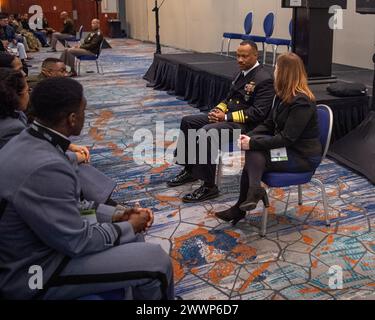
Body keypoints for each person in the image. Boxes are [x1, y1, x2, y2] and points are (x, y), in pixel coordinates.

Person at [0, 77, 174, 300]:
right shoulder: (47, 165)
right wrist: (129, 225)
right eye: (84, 110)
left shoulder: (31, 138)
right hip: (33, 272)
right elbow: (77, 241)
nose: (85, 115)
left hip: (43, 248)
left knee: (134, 241)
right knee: (156, 263)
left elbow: (66, 206)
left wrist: (116, 215)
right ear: (72, 119)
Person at [215, 52, 323, 225]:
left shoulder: (302, 102)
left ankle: (244, 203)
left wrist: (252, 143)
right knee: (254, 152)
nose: (274, 71)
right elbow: (269, 124)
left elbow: (287, 138)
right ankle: (253, 191)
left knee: (255, 153)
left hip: (301, 157)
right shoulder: (282, 96)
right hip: (287, 151)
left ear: (284, 73)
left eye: (277, 68)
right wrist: (249, 137)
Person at [167, 40, 275, 203]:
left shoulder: (264, 79)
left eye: (244, 56)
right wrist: (218, 110)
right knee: (188, 122)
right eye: (238, 55)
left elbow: (258, 113)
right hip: (230, 119)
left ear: (255, 56)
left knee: (207, 132)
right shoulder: (241, 73)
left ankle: (209, 186)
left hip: (247, 126)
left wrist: (224, 117)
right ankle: (190, 170)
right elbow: (228, 99)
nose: (240, 60)